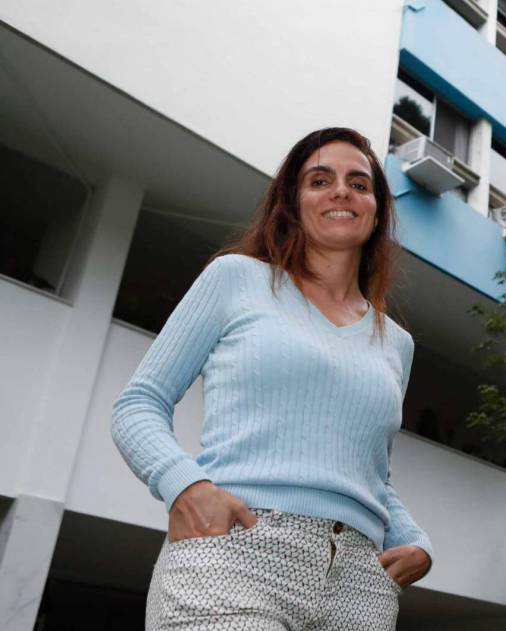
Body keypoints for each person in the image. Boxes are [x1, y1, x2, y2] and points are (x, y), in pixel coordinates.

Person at [111, 127, 431, 630]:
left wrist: (414, 541)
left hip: (360, 585)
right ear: (293, 201)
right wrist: (184, 485)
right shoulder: (236, 278)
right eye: (320, 180)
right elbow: (138, 404)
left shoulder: (396, 342)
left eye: (359, 183)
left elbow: (372, 473)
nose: (341, 191)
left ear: (375, 209)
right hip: (239, 549)